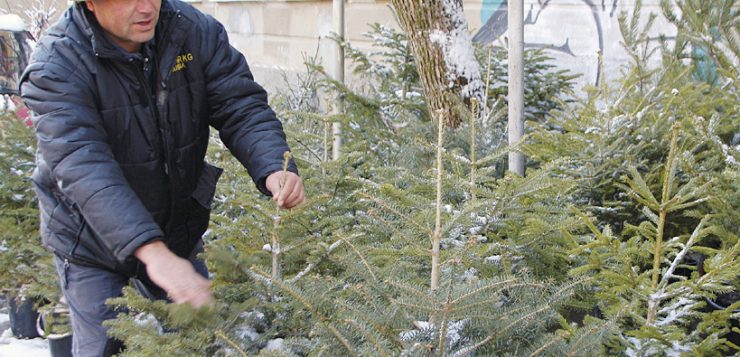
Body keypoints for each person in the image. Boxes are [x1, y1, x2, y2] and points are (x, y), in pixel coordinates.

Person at [19, 0, 305, 355]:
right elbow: (83, 167)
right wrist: (154, 254)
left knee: (195, 341)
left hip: (176, 231)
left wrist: (275, 165)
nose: (146, 7)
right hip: (91, 241)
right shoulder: (57, 64)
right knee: (105, 346)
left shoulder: (191, 31)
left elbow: (240, 105)